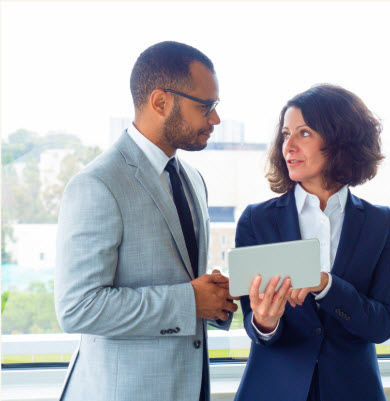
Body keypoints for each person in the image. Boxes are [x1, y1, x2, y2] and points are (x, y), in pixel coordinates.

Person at [54, 41, 238, 401]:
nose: (215, 119)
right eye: (206, 106)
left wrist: (214, 298)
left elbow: (184, 283)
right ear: (160, 102)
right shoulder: (97, 185)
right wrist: (189, 301)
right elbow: (78, 308)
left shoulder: (193, 180)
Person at [234, 84, 390, 401]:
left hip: (354, 392)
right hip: (271, 391)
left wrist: (325, 285)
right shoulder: (257, 221)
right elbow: (252, 323)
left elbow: (382, 325)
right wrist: (264, 323)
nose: (289, 146)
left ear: (341, 140)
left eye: (304, 133)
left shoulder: (381, 225)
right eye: (285, 134)